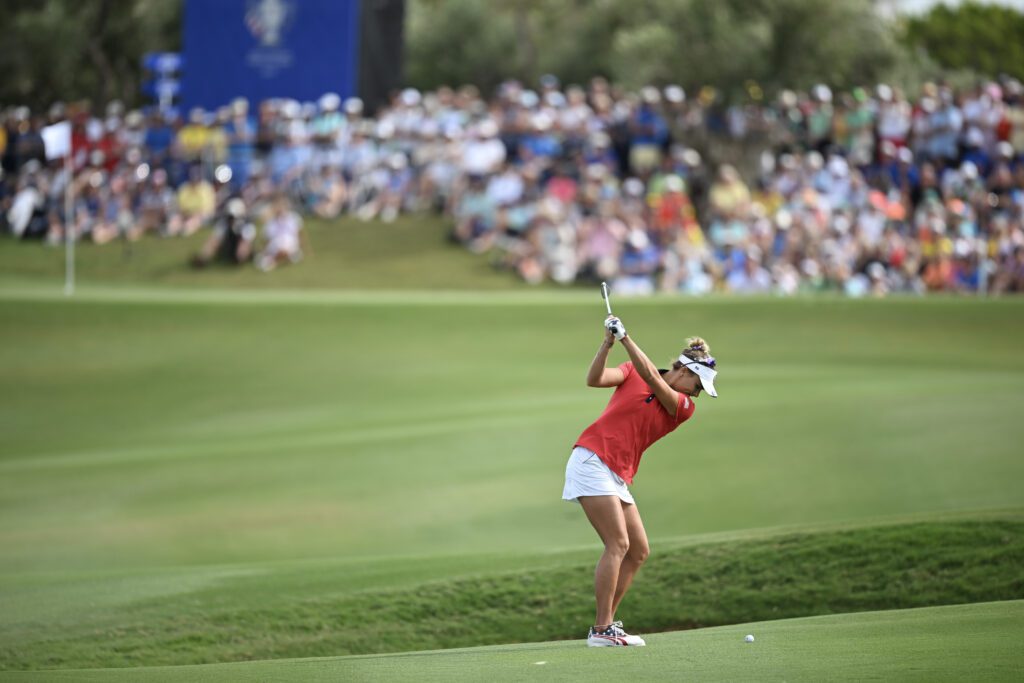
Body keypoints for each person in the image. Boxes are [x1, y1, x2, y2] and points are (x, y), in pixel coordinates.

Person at [563, 314, 718, 647]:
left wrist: (625, 338)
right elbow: (595, 379)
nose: (699, 394)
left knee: (638, 551)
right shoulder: (631, 370)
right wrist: (607, 343)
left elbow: (651, 375)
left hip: (616, 473)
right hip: (591, 459)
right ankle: (602, 629)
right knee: (618, 544)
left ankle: (605, 625)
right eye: (699, 385)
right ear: (686, 372)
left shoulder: (683, 406)